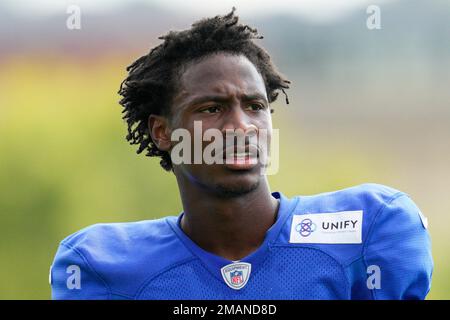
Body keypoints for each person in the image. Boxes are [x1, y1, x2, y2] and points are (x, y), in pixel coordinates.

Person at [50, 8, 433, 300]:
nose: (240, 126)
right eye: (211, 109)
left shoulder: (371, 226)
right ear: (163, 132)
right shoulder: (101, 265)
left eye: (254, 106)